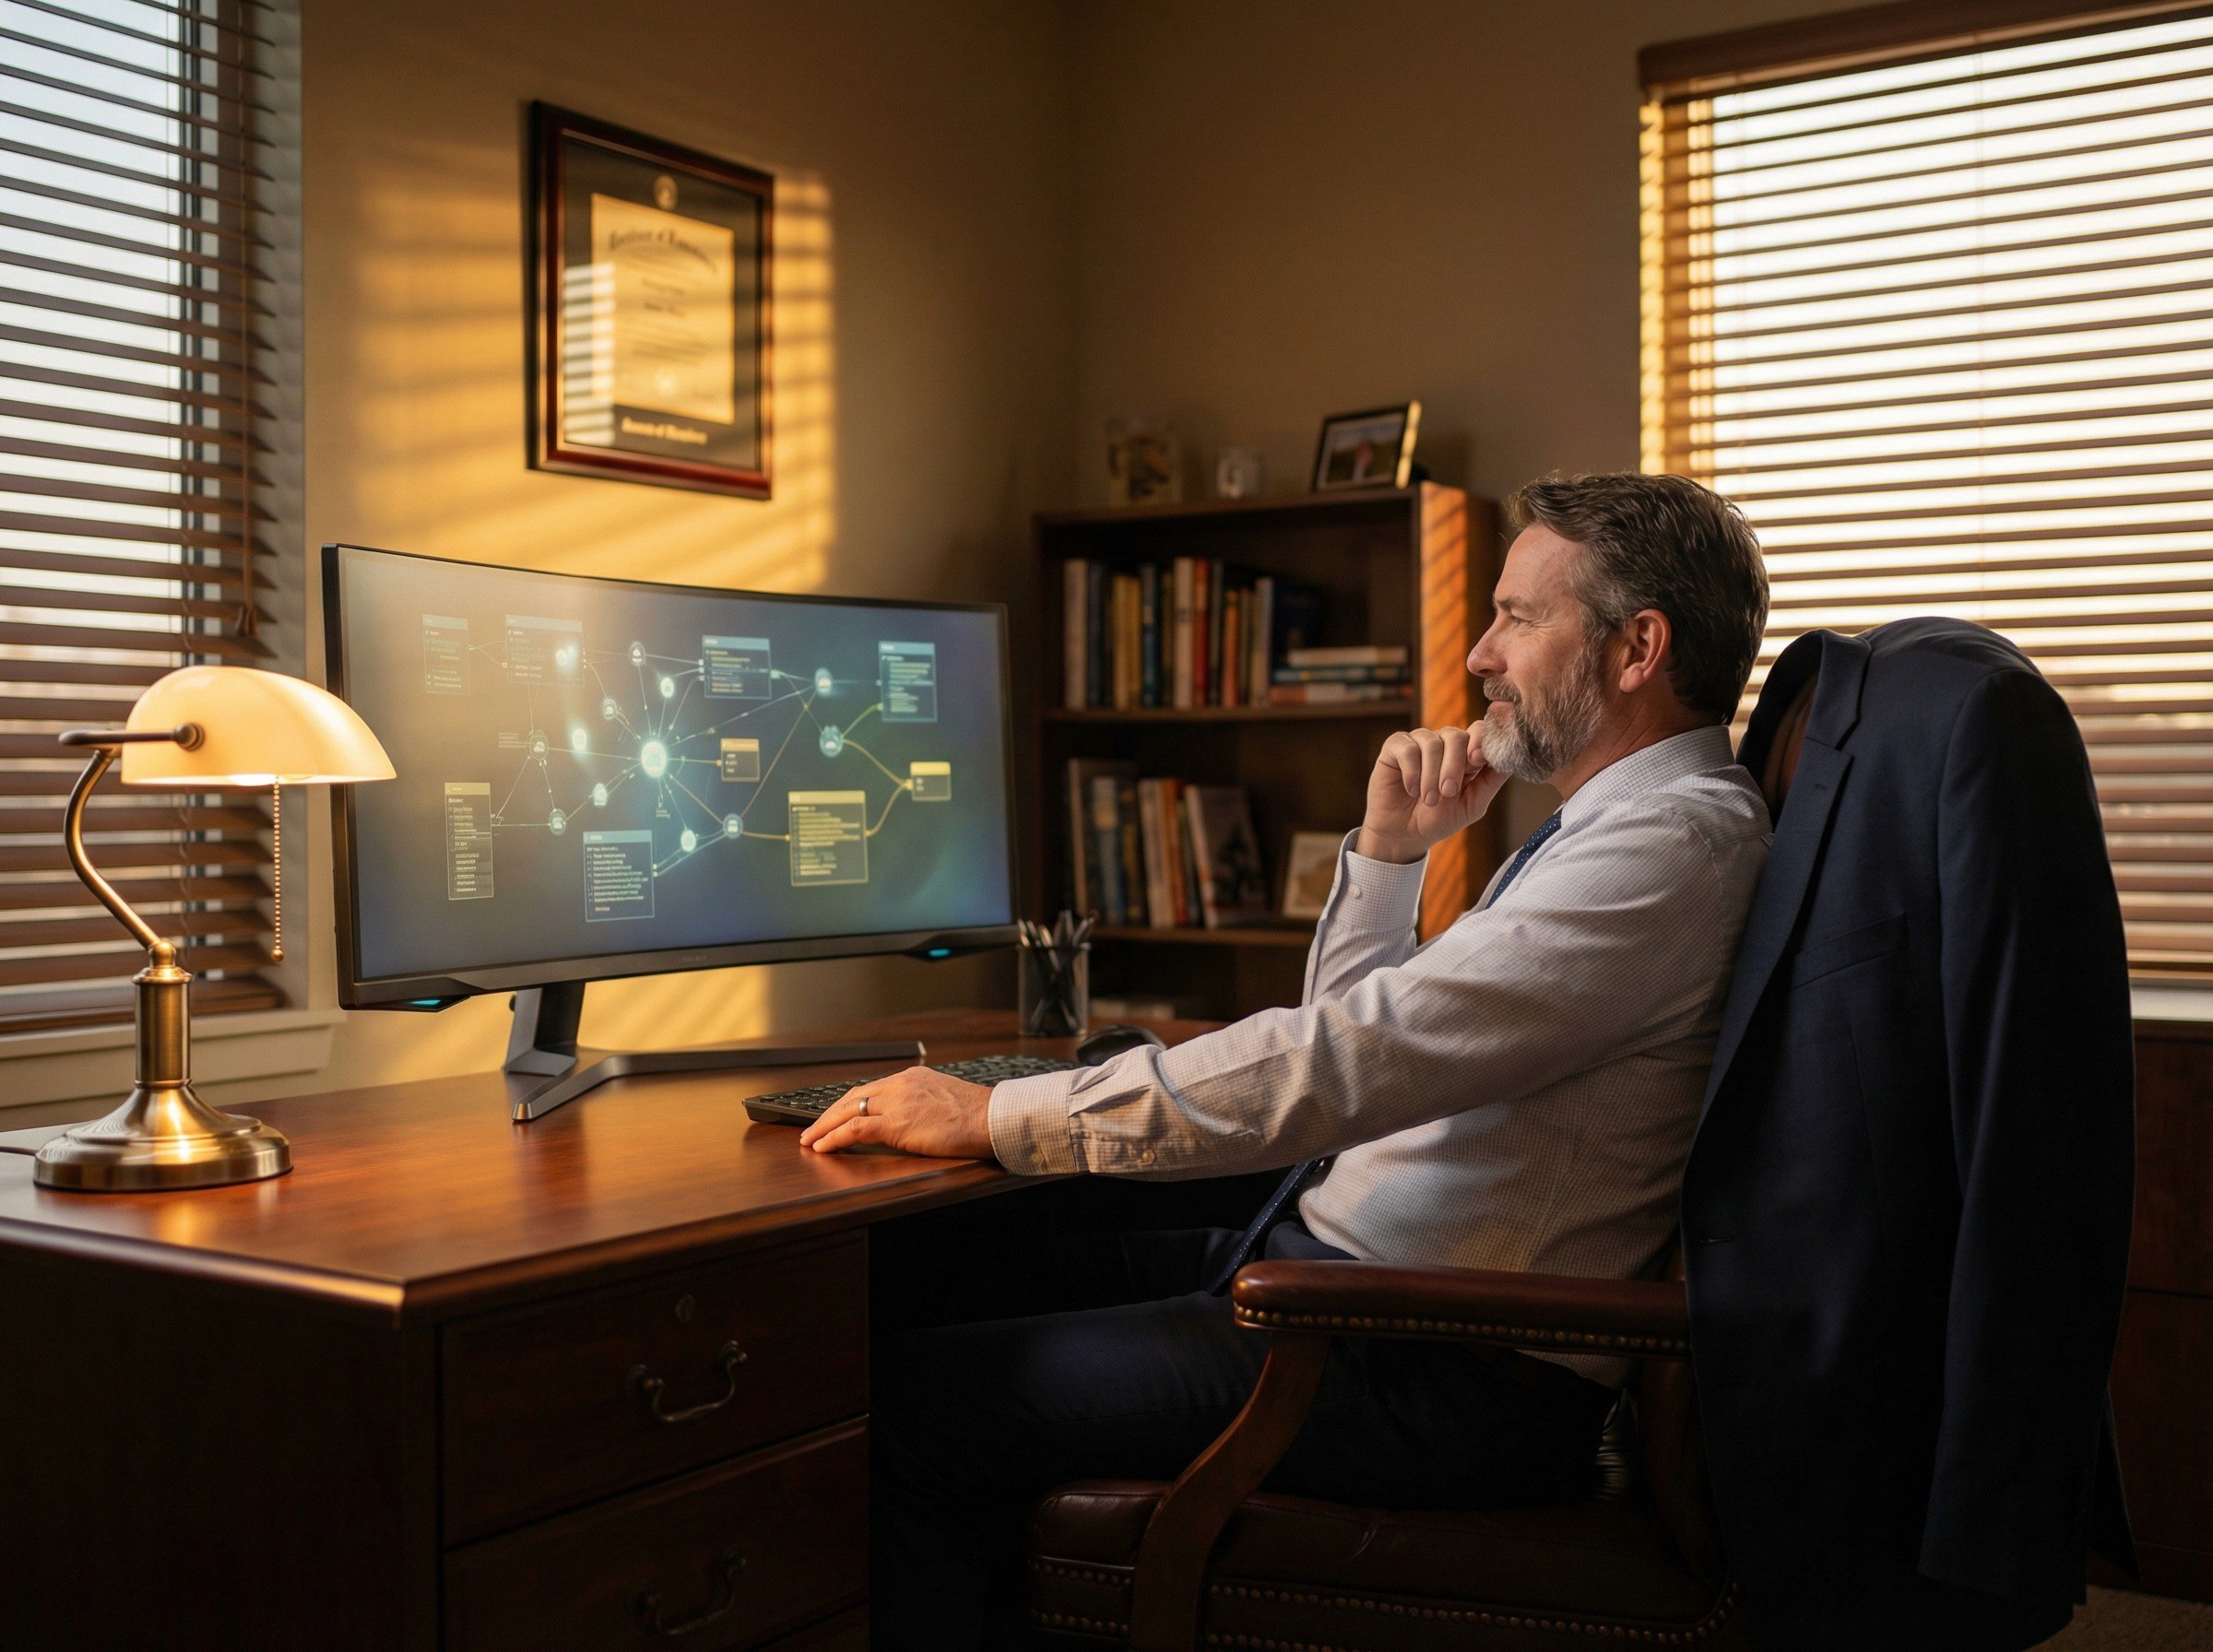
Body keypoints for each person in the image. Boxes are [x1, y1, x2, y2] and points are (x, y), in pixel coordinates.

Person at [803, 472, 1774, 1646]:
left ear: (1639, 649)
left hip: (1423, 1364)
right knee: (917, 1286)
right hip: (1332, 1282)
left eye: (1519, 616)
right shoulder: (1612, 829)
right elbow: (1369, 1056)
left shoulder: (1668, 849)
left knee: (919, 1406)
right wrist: (1389, 854)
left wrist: (998, 1117)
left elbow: (1346, 1061)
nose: (1478, 653)